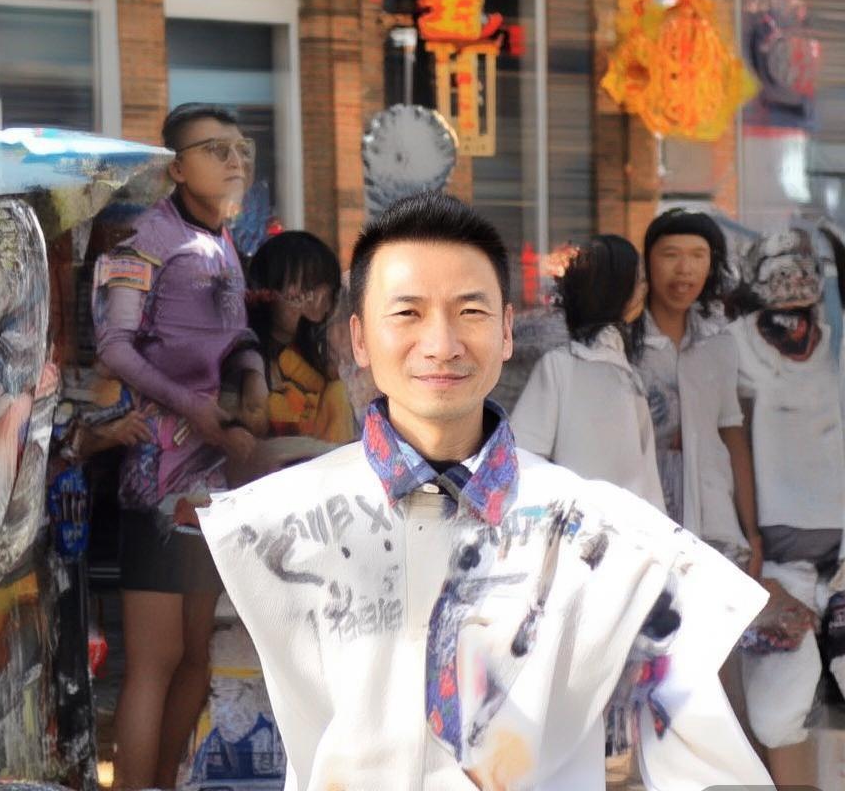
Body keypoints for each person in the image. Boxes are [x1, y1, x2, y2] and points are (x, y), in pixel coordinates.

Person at [198, 193, 771, 790]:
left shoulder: (602, 534)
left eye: (469, 311)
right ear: (359, 339)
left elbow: (707, 758)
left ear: (505, 332)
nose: (441, 344)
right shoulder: (278, 520)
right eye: (408, 312)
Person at [92, 102, 268, 789]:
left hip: (215, 476)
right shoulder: (144, 241)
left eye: (240, 148)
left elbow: (237, 334)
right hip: (157, 473)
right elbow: (114, 348)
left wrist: (253, 377)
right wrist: (194, 406)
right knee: (156, 662)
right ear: (176, 168)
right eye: (215, 149)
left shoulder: (223, 241)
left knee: (196, 656)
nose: (234, 161)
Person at [729, 227, 845, 787]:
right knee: (776, 714)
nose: (792, 281)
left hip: (841, 561)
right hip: (776, 563)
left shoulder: (837, 343)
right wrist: (746, 544)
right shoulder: (734, 346)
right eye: (778, 270)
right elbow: (725, 444)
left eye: (802, 269)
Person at [634, 209, 762, 577]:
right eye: (670, 255)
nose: (684, 269)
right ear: (648, 262)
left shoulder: (719, 343)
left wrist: (751, 531)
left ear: (711, 264)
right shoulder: (624, 344)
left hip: (711, 518)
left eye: (697, 256)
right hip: (643, 516)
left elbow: (732, 436)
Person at [511, 235, 663, 509]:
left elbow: (646, 478)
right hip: (572, 526)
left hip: (626, 528)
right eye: (638, 280)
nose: (645, 288)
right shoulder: (560, 366)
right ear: (615, 289)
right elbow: (523, 457)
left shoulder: (628, 375)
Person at [247, 230, 356, 444]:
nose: (315, 298)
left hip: (323, 457)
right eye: (306, 287)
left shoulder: (318, 352)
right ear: (268, 291)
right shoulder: (248, 356)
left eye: (324, 287)